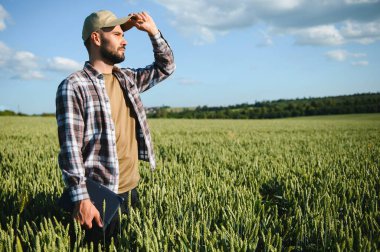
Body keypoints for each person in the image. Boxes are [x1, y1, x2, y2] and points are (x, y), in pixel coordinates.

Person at [55, 9, 175, 245]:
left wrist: (153, 32)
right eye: (118, 34)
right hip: (99, 196)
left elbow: (165, 67)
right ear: (96, 38)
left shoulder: (127, 78)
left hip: (132, 189)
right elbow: (71, 150)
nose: (125, 40)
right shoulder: (73, 85)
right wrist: (81, 200)